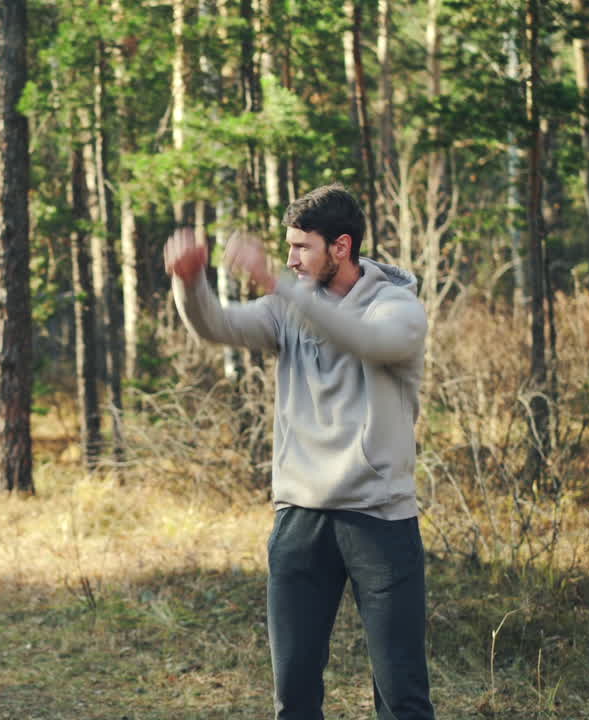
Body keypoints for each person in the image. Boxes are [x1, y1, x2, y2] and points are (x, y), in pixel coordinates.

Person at [164, 184, 436, 720]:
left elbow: (363, 339)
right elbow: (216, 325)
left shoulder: (399, 308)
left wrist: (278, 285)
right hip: (300, 520)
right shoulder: (287, 307)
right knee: (293, 696)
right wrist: (189, 283)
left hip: (380, 519)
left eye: (300, 247)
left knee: (402, 695)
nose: (289, 260)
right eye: (286, 248)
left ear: (341, 247)